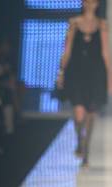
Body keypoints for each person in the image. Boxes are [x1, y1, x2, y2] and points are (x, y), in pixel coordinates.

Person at [57, 0, 112, 166]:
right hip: (76, 72)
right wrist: (61, 72)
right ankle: (80, 140)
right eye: (87, 1)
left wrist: (109, 78)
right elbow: (67, 50)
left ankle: (86, 151)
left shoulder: (102, 25)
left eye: (93, 1)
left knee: (91, 112)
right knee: (79, 112)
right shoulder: (74, 23)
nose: (90, 4)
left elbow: (105, 53)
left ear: (97, 4)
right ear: (83, 3)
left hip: (95, 74)